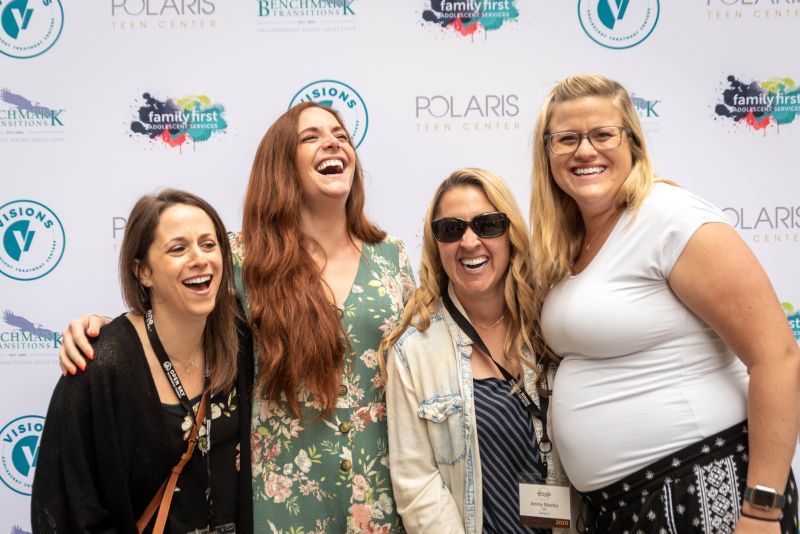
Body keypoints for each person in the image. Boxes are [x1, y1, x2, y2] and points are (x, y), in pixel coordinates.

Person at [58, 102, 415, 533]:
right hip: (281, 499)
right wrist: (107, 328)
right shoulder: (242, 258)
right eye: (311, 137)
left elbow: (420, 359)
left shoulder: (391, 255)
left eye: (340, 134)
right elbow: (179, 312)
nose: (332, 142)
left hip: (381, 495)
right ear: (281, 164)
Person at [529, 74, 800, 533]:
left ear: (632, 142)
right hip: (618, 507)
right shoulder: (569, 245)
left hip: (703, 488)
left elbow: (777, 358)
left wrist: (762, 508)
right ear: (547, 154)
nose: (584, 151)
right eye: (566, 139)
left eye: (602, 134)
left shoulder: (673, 220)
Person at [32, 189, 254, 533]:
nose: (200, 258)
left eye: (209, 245)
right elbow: (63, 508)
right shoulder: (100, 366)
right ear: (143, 271)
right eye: (178, 248)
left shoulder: (239, 341)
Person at [381, 168, 571, 534]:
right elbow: (416, 487)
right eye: (451, 229)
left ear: (511, 233)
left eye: (487, 225)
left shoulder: (553, 326)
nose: (469, 242)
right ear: (436, 245)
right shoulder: (412, 352)